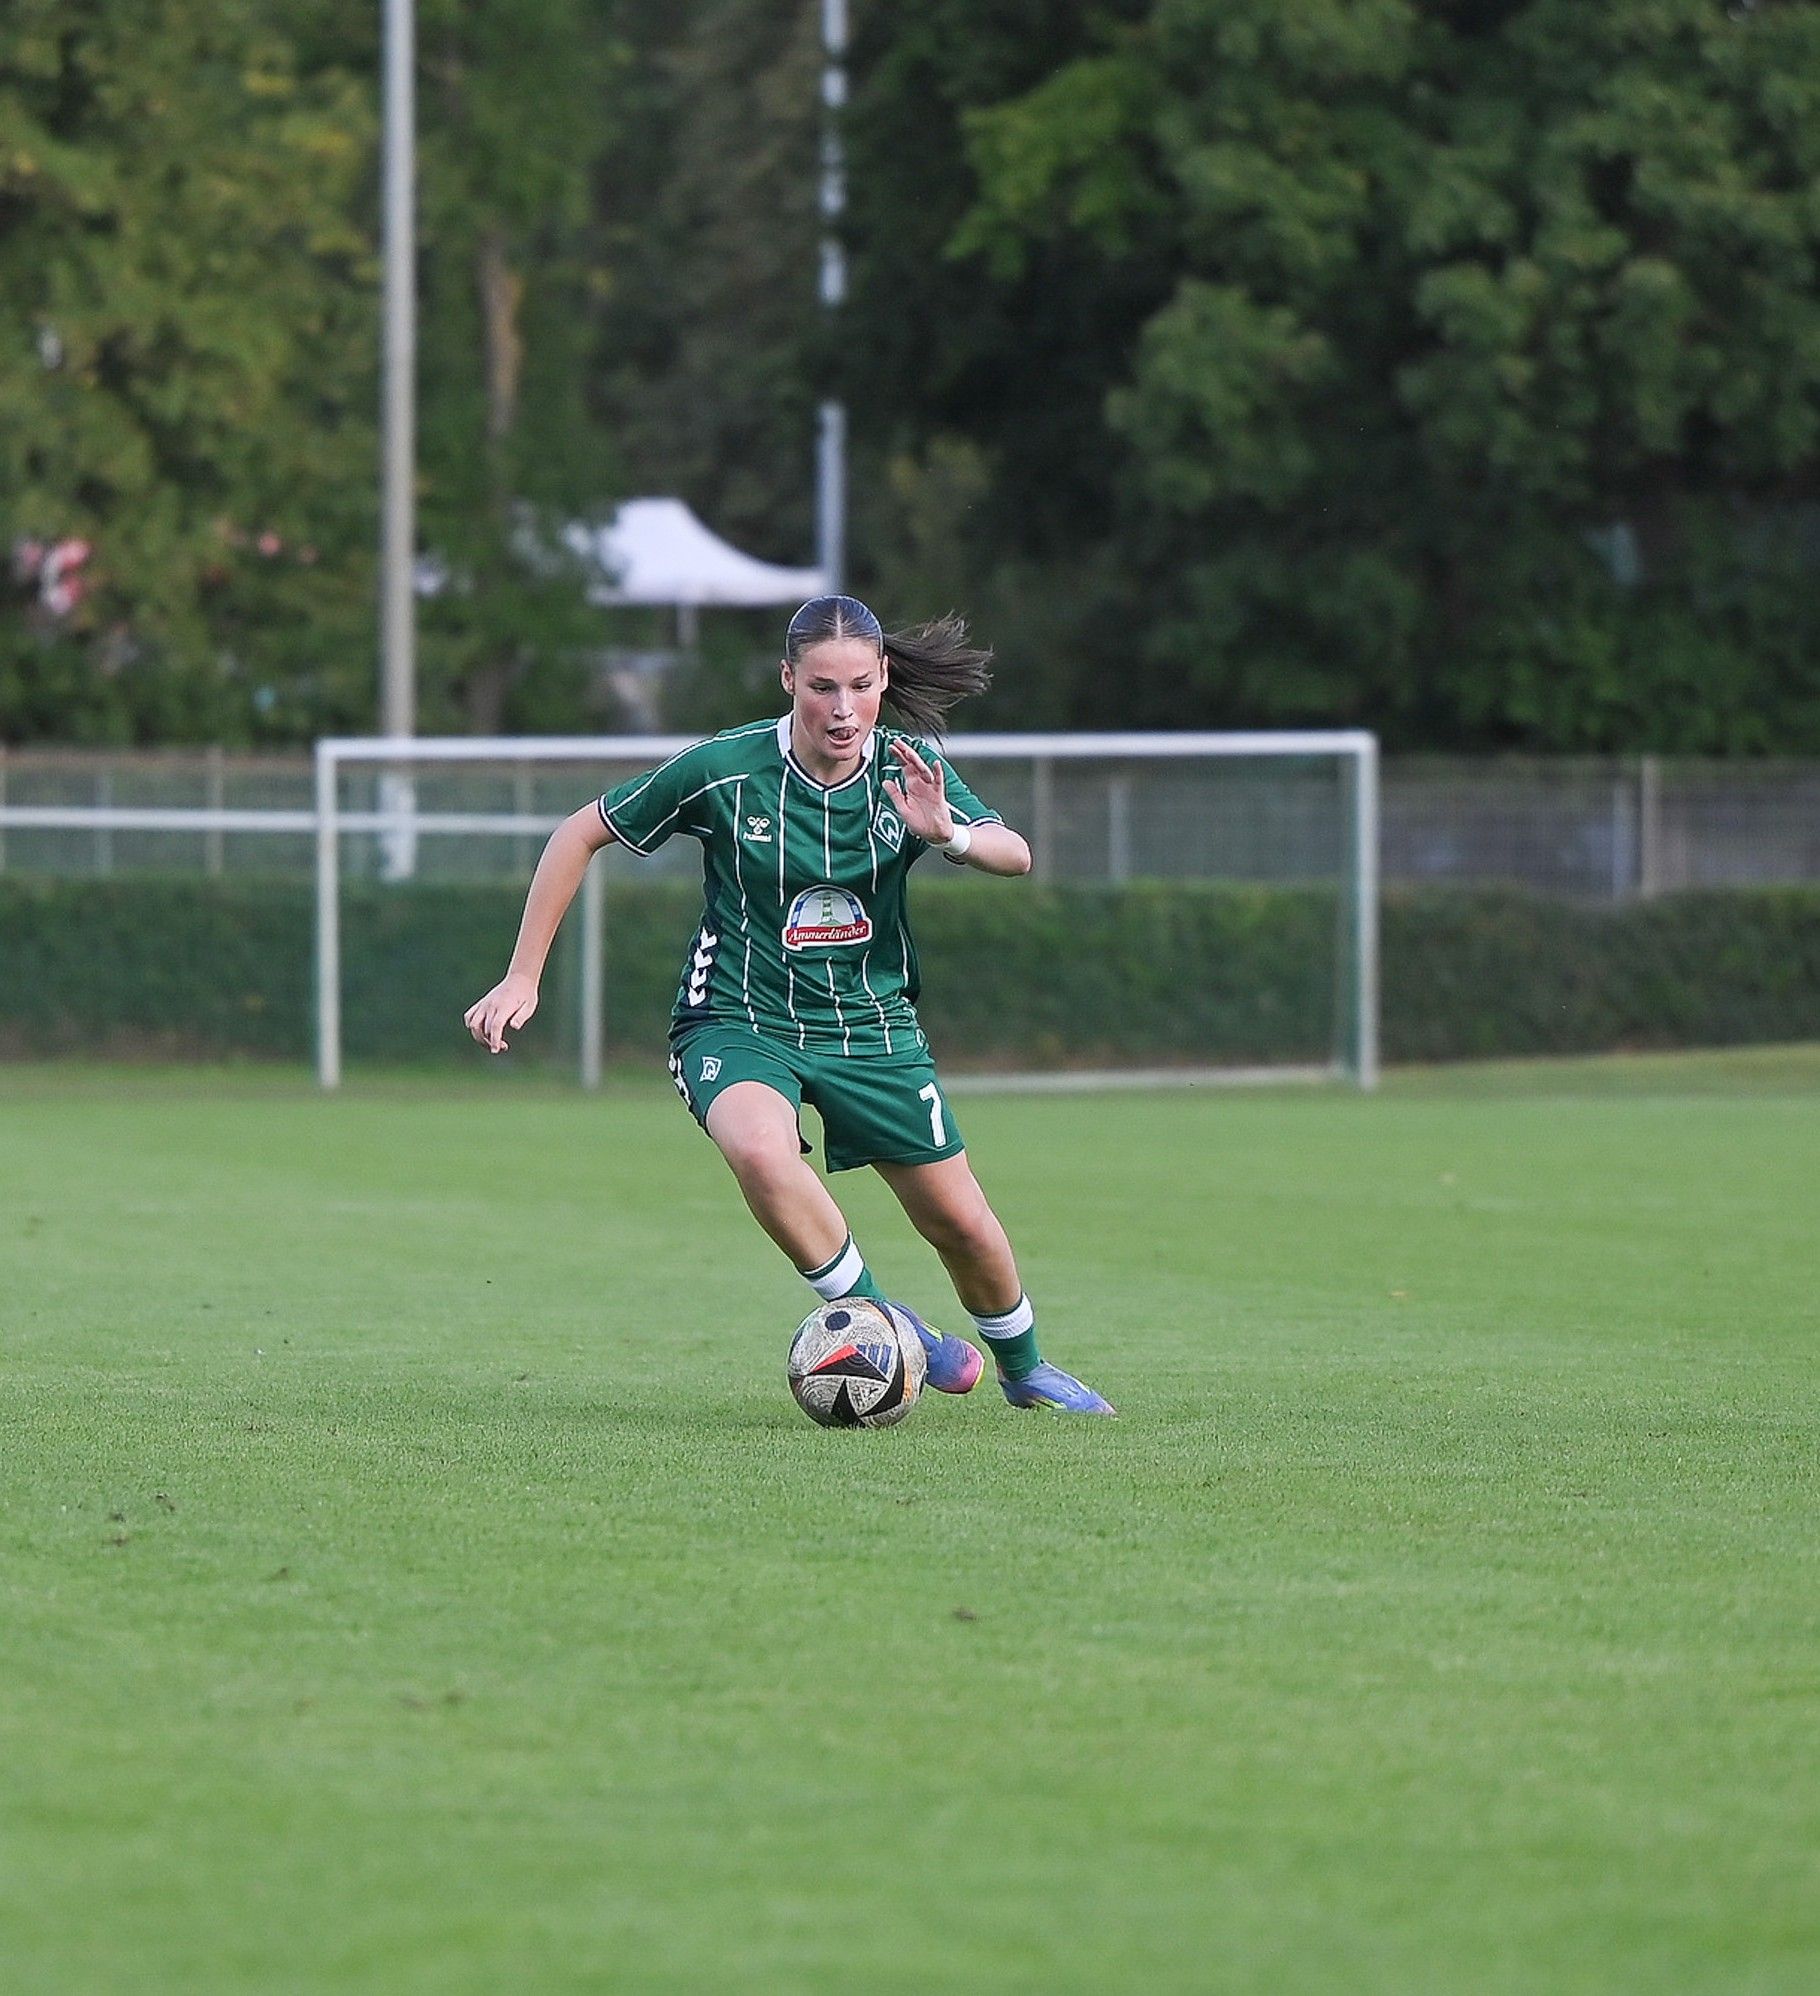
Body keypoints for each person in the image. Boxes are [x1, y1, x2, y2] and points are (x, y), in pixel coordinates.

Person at [463, 594, 1114, 1415]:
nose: (843, 710)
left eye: (860, 686)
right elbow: (579, 832)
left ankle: (1027, 1369)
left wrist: (947, 832)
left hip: (871, 1025)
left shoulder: (908, 767)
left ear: (882, 679)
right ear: (787, 681)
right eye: (821, 688)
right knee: (764, 1154)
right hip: (738, 1017)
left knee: (964, 1227)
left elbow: (1014, 854)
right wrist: (523, 976)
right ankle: (887, 1323)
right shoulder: (726, 771)